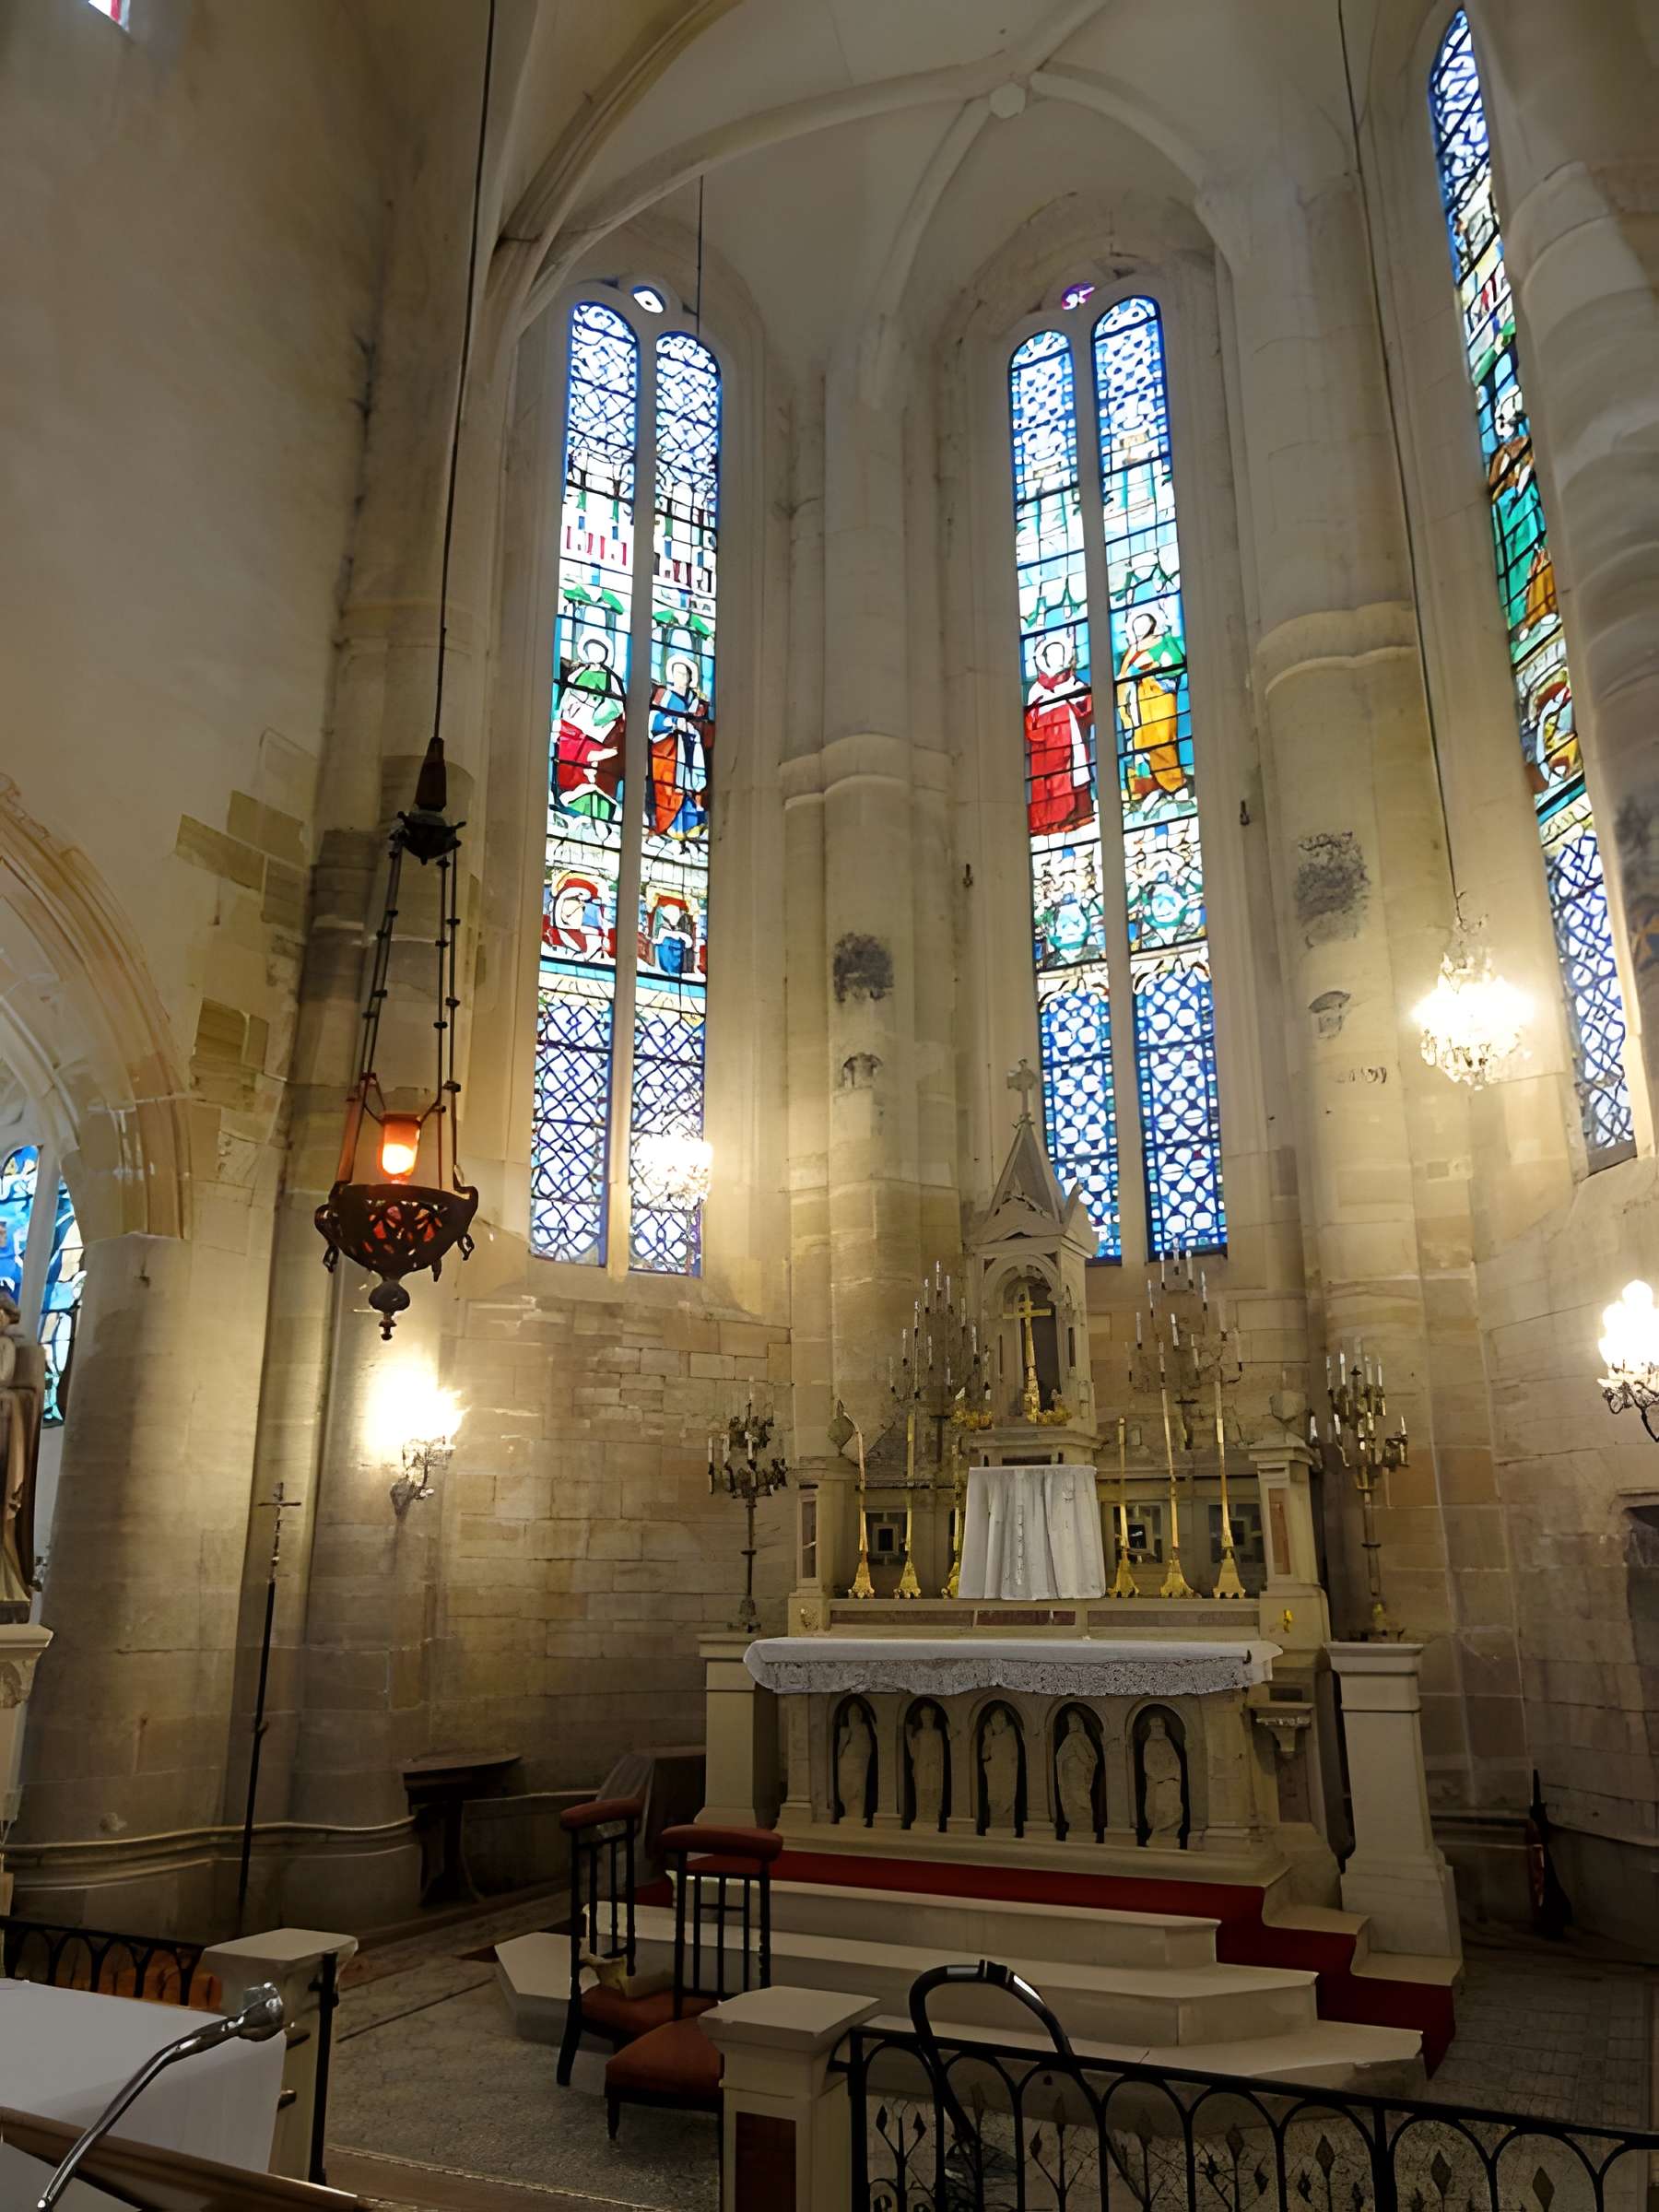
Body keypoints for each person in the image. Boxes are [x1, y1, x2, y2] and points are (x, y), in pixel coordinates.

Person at [1024, 636, 1094, 836]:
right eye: (1051, 655)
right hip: (1046, 747)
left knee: (1072, 777)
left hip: (1070, 741)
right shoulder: (1037, 690)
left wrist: (1071, 702)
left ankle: (1077, 817)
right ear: (1043, 659)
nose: (1056, 659)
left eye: (1059, 654)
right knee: (1049, 783)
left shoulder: (1074, 683)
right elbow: (1030, 720)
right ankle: (1050, 824)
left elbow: (1087, 707)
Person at [1118, 610, 1186, 807]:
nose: (1140, 627)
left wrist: (1155, 666)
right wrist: (1129, 679)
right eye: (1136, 624)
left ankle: (1174, 783)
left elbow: (1176, 662)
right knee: (1142, 743)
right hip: (1139, 702)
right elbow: (1122, 677)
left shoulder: (1165, 641)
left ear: (1153, 623)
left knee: (1163, 739)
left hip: (1160, 696)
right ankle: (1150, 786)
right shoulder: (1133, 649)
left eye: (1144, 622)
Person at [553, 637, 625, 823]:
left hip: (600, 726)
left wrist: (598, 714)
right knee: (570, 749)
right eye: (592, 650)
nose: (596, 654)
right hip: (576, 722)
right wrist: (570, 708)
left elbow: (617, 704)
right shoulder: (578, 674)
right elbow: (567, 696)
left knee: (598, 758)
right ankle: (571, 793)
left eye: (600, 651)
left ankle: (597, 798)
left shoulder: (611, 678)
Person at [647, 657, 712, 841]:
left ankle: (691, 827)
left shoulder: (696, 702)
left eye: (684, 674)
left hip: (691, 750)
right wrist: (673, 722)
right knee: (670, 788)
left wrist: (694, 727)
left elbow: (705, 727)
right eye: (677, 673)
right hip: (669, 750)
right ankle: (669, 826)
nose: (680, 677)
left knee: (690, 788)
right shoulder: (664, 696)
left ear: (690, 678)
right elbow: (653, 720)